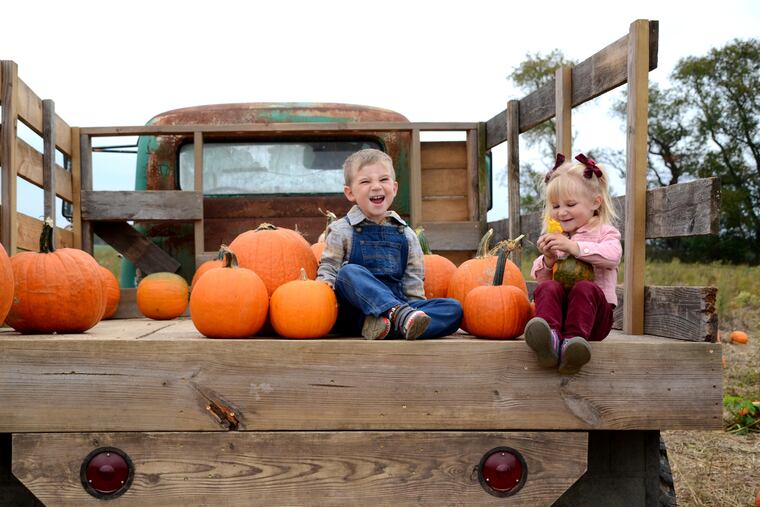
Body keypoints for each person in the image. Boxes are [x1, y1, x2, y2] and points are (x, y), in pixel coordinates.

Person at [317, 148, 462, 340]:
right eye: (365, 181)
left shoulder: (407, 235)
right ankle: (399, 319)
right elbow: (328, 269)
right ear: (350, 193)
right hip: (356, 312)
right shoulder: (342, 230)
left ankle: (395, 324)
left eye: (383, 180)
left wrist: (416, 309)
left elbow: (413, 283)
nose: (376, 186)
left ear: (394, 188)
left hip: (401, 304)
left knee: (453, 309)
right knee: (348, 272)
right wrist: (324, 284)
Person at [524, 153, 622, 374]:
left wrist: (575, 248)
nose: (561, 212)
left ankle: (574, 345)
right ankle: (549, 339)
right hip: (560, 316)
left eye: (570, 204)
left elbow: (612, 256)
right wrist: (548, 259)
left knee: (585, 287)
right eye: (555, 206)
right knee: (547, 287)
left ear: (595, 203)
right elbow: (540, 278)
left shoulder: (604, 232)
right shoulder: (557, 236)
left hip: (594, 320)